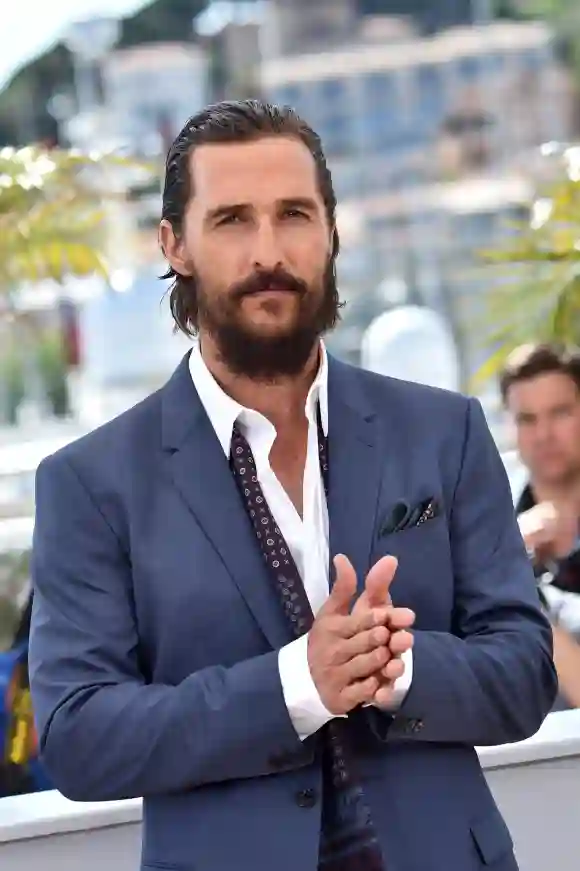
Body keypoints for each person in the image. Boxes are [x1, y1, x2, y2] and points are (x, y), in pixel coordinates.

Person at [29, 100, 556, 871]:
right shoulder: (91, 482)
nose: (268, 250)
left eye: (294, 215)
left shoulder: (444, 431)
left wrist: (397, 667)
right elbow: (78, 735)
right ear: (174, 243)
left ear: (332, 232)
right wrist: (293, 685)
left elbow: (525, 672)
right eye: (233, 219)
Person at [500, 342, 580, 707]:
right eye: (527, 420)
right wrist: (509, 549)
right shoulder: (487, 524)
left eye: (560, 413)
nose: (544, 434)